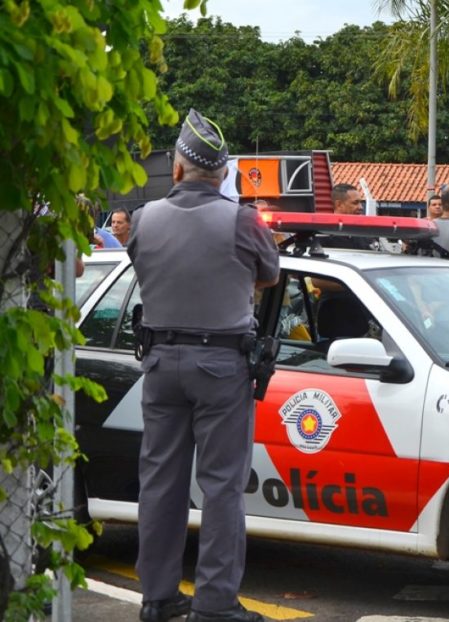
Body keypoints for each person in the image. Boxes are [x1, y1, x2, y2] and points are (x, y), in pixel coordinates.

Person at [128, 109, 278, 622]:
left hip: (159, 362)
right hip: (221, 365)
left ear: (175, 168)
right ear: (222, 173)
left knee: (160, 484)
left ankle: (157, 598)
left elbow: (143, 261)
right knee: (221, 486)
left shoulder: (144, 218)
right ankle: (214, 604)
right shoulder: (242, 221)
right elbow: (269, 274)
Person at [321, 184, 374, 250]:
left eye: (360, 203)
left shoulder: (365, 234)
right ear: (339, 204)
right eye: (355, 203)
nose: (361, 207)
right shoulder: (323, 235)